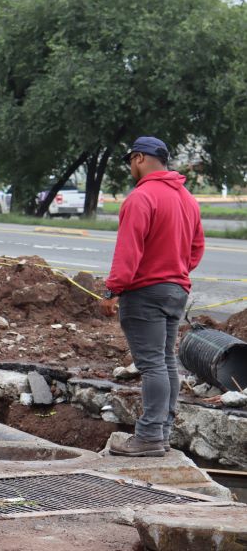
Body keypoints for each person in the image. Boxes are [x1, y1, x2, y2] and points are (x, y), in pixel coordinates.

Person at [100, 136, 204, 457]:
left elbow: (129, 251)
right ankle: (162, 433)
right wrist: (174, 271)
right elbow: (196, 247)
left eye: (130, 159)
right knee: (166, 362)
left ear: (141, 158)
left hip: (145, 293)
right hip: (176, 290)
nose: (130, 166)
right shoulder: (187, 198)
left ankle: (147, 438)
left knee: (152, 366)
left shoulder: (141, 197)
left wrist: (113, 289)